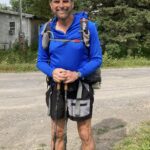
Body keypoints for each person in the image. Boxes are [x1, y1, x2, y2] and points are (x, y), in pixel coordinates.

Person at [36, 0, 102, 149]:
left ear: (72, 4)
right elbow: (41, 61)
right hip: (56, 88)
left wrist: (77, 74)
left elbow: (97, 59)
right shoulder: (45, 29)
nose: (61, 5)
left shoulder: (87, 27)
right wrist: (51, 72)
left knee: (85, 133)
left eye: (65, 1)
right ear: (51, 5)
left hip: (81, 86)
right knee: (57, 133)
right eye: (56, 1)